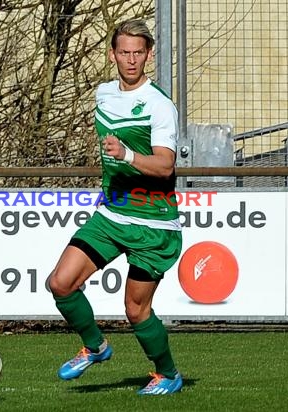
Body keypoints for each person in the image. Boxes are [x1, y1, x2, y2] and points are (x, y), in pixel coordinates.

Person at [48, 19, 183, 395]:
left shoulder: (159, 106)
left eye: (138, 52)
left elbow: (165, 165)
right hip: (110, 215)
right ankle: (96, 346)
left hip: (153, 226)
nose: (131, 59)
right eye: (124, 52)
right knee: (61, 283)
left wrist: (125, 154)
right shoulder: (104, 93)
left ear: (149, 55)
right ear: (112, 54)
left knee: (136, 310)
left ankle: (168, 373)